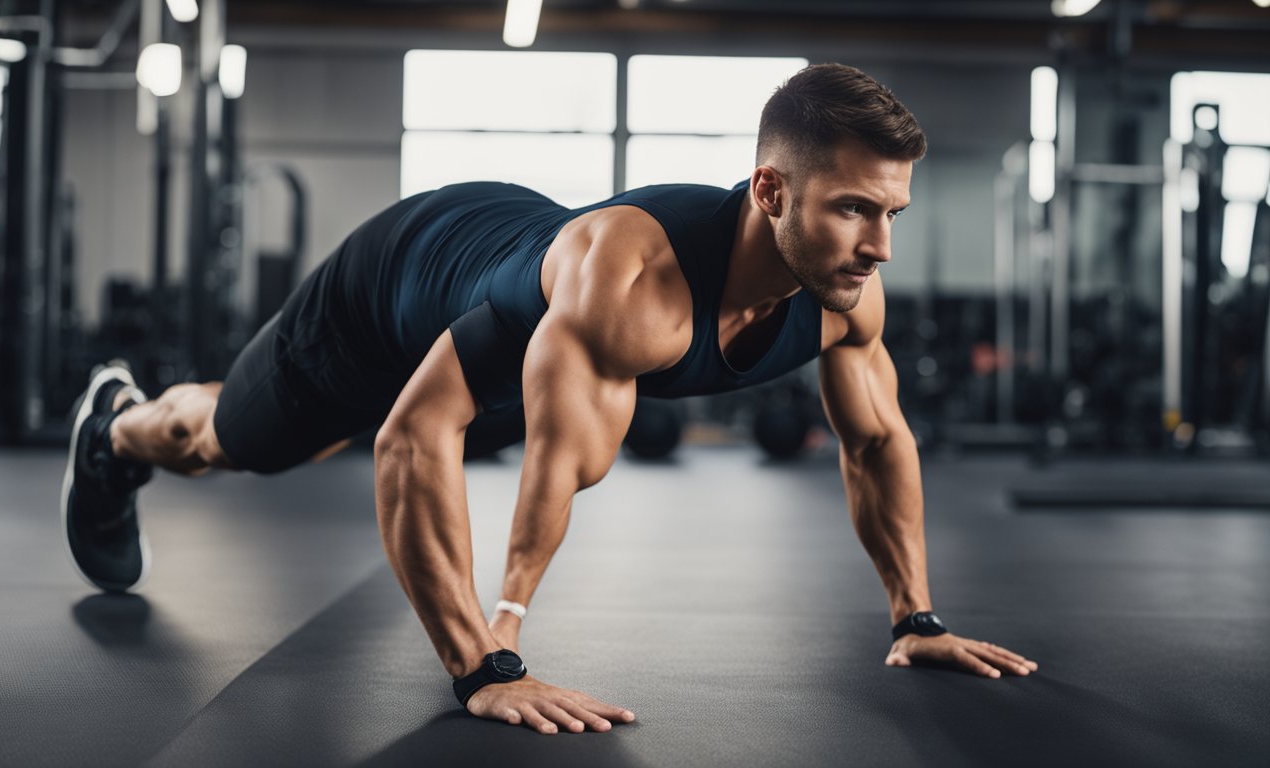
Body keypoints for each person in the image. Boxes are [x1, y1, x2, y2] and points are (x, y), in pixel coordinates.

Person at [60, 62, 1037, 736]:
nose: (880, 247)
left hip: (510, 276)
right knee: (242, 440)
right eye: (854, 210)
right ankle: (119, 428)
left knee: (376, 432)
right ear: (772, 192)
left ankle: (138, 424)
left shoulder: (843, 299)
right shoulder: (632, 285)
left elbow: (875, 444)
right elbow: (412, 436)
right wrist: (486, 666)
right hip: (394, 285)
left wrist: (916, 619)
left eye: (890, 213)